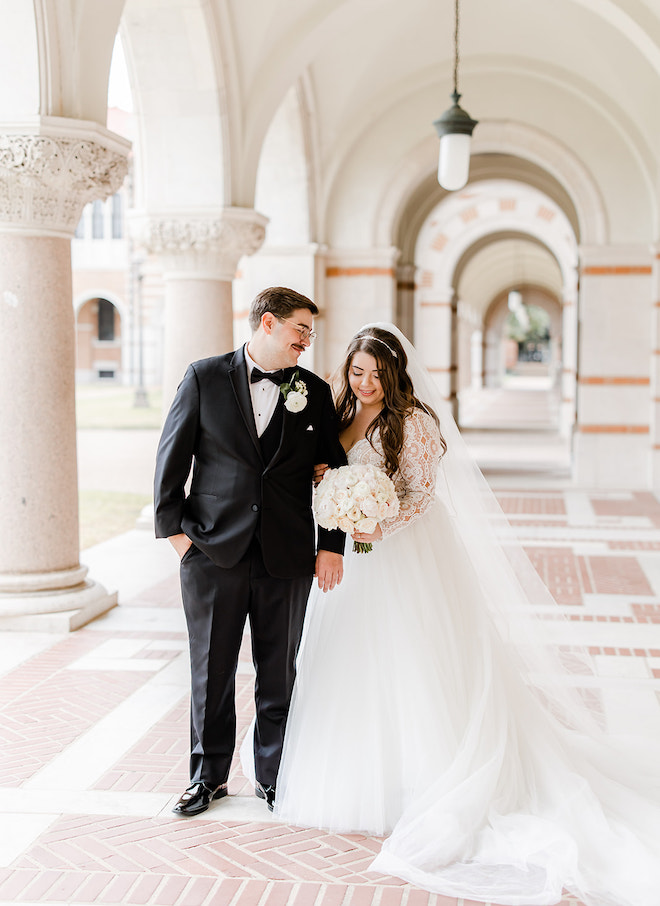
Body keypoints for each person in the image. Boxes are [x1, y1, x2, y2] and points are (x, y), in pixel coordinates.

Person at [270, 324, 660, 906]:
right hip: (354, 560)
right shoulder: (334, 411)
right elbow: (319, 471)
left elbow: (422, 494)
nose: (368, 383)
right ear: (346, 370)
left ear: (395, 373)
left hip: (406, 555)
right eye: (358, 371)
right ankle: (361, 779)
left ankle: (422, 781)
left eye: (378, 373)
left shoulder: (414, 421)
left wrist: (380, 523)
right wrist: (331, 499)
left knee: (413, 659)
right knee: (352, 663)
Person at [154, 286, 346, 817]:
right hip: (213, 551)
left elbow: (333, 474)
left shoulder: (314, 390)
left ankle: (274, 777)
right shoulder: (203, 377)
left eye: (310, 332)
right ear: (267, 323)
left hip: (286, 557)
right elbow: (171, 459)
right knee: (209, 670)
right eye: (300, 330)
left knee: (278, 672)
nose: (307, 341)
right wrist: (179, 539)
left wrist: (332, 545)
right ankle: (206, 777)